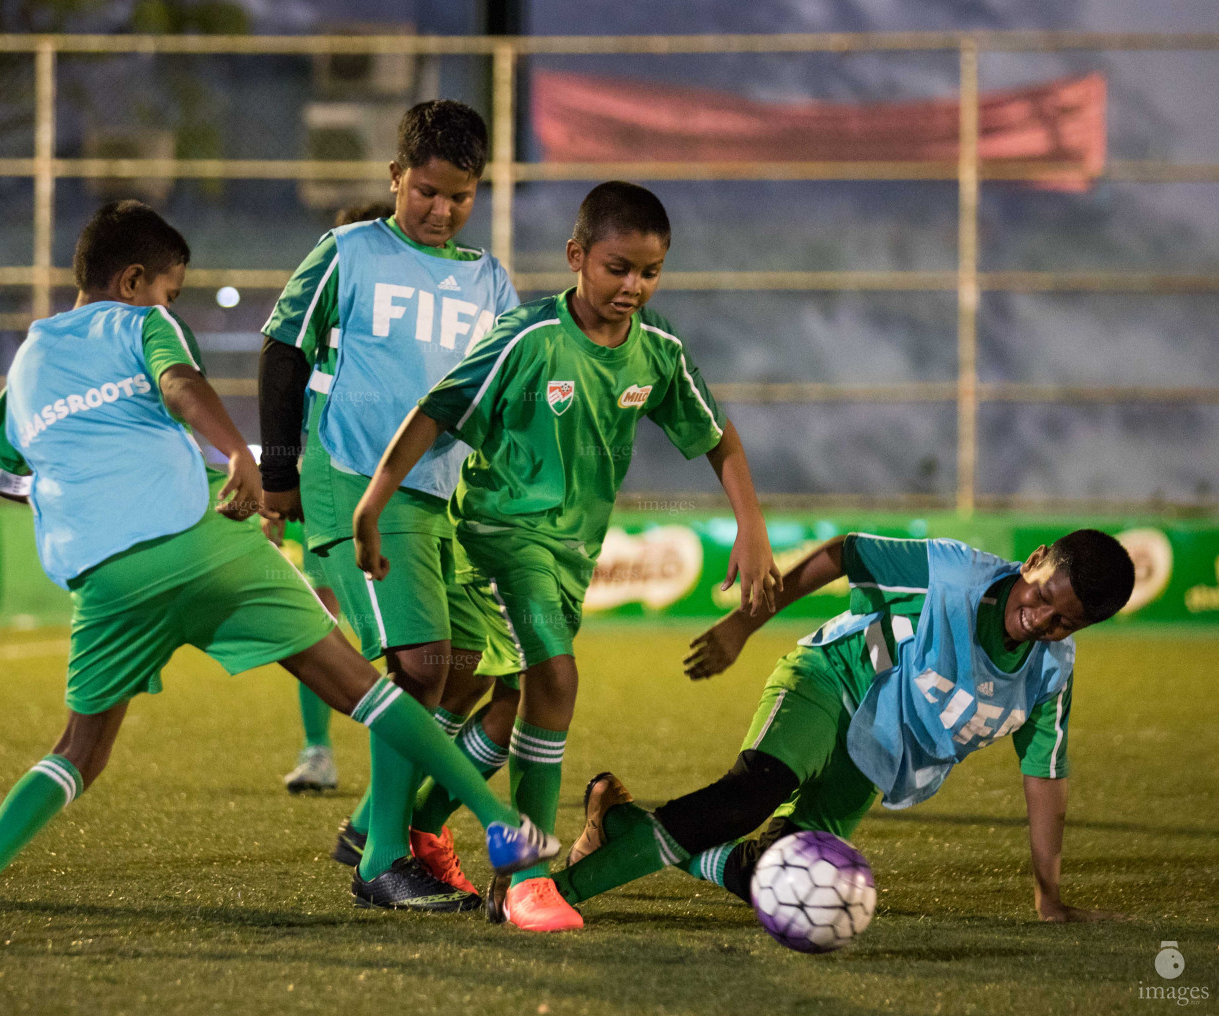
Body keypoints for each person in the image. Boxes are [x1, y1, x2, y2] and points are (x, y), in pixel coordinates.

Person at [0, 200, 556, 949]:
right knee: (369, 687)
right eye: (170, 292)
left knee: (76, 753)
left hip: (106, 580)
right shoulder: (138, 322)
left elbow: (9, 474)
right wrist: (242, 456)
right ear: (132, 281)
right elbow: (182, 387)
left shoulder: (24, 365)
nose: (170, 306)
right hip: (201, 541)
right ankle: (500, 822)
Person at [353, 181, 780, 931]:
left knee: (508, 698)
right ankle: (524, 877)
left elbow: (719, 438)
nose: (633, 287)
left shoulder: (658, 351)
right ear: (577, 257)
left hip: (569, 554)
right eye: (618, 268)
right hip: (496, 539)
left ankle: (420, 827)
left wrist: (753, 530)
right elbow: (437, 409)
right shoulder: (529, 339)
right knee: (555, 676)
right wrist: (374, 500)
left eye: (649, 272)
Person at [554, 529, 1136, 925]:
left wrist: (1048, 897)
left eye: (1064, 622)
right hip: (830, 680)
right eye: (1042, 595)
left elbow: (1045, 776)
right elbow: (842, 553)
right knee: (748, 796)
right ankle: (552, 894)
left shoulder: (1051, 672)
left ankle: (619, 818)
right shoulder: (952, 574)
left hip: (877, 751)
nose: (1041, 619)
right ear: (1034, 561)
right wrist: (743, 623)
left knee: (779, 878)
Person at [259, 101, 523, 910]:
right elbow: (282, 348)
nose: (442, 211)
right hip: (355, 479)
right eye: (427, 193)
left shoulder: (490, 279)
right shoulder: (347, 252)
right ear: (396, 178)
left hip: (449, 497)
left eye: (460, 197)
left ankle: (382, 817)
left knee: (472, 668)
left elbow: (507, 388)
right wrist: (278, 475)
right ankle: (381, 860)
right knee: (419, 668)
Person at [280, 199, 394, 797]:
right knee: (319, 620)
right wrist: (282, 485)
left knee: (418, 641)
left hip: (411, 495)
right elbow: (295, 398)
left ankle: (409, 770)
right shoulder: (326, 331)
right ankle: (318, 750)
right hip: (329, 489)